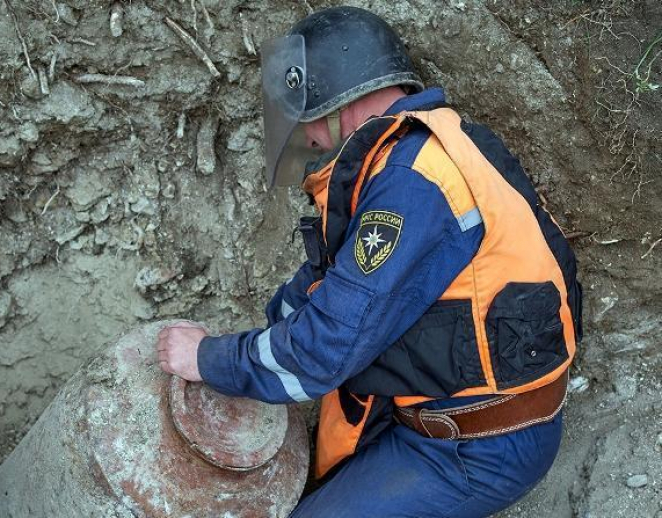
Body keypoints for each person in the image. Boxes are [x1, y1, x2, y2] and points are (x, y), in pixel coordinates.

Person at [157, 6, 583, 517]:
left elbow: (322, 353)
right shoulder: (424, 150)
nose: (308, 140)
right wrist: (255, 344)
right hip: (456, 406)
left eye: (306, 122)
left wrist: (207, 359)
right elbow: (335, 282)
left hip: (479, 445)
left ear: (334, 101)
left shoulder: (412, 187)